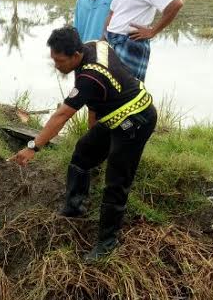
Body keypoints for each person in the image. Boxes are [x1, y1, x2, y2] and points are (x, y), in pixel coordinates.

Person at [10, 27, 158, 262]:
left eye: (59, 61)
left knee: (116, 182)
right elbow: (99, 98)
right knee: (83, 153)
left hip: (135, 121)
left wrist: (33, 147)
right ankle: (74, 208)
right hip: (115, 115)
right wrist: (94, 136)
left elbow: (61, 116)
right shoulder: (94, 45)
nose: (56, 66)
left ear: (76, 55)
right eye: (53, 59)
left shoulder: (90, 77)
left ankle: (106, 244)